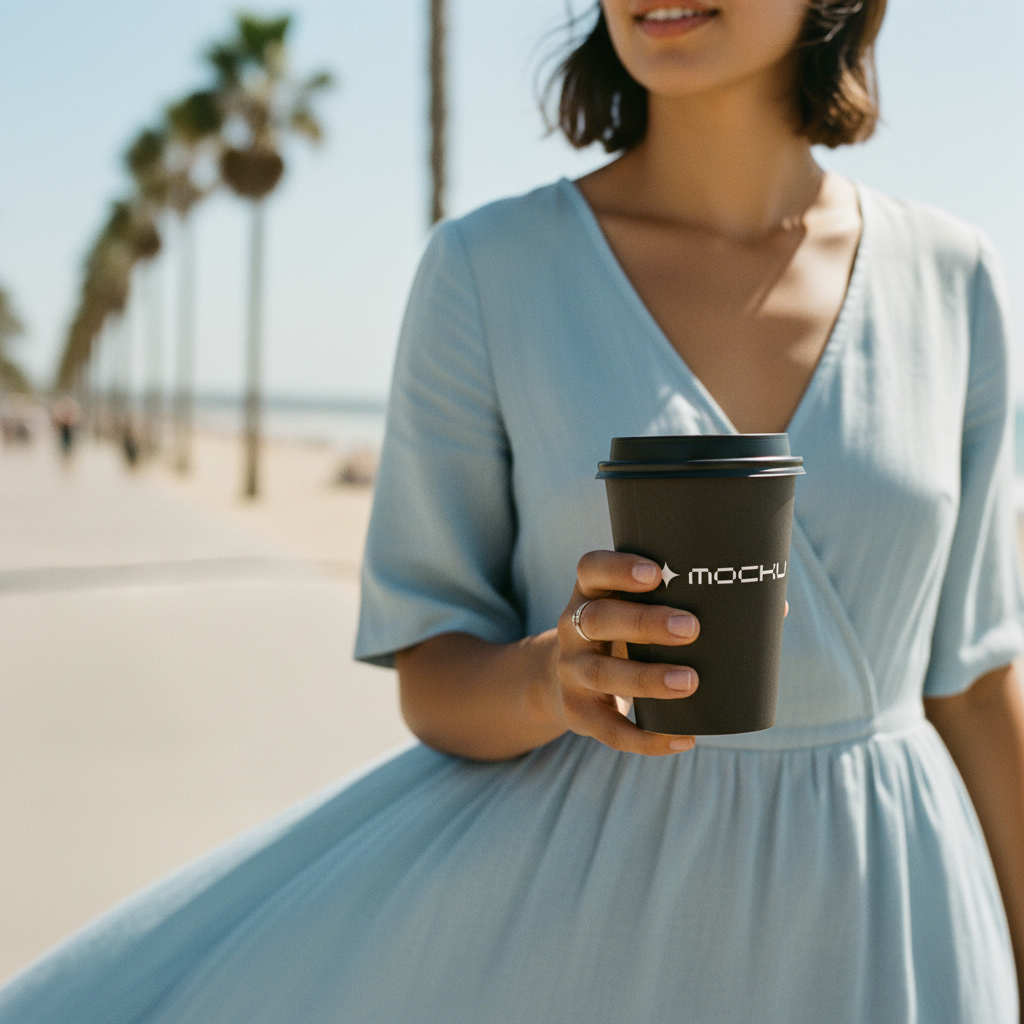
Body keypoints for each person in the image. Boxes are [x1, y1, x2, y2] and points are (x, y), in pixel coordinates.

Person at [3, 1, 1024, 1021]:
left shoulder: (952, 278)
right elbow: (432, 666)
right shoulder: (486, 271)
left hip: (897, 916)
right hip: (587, 935)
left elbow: (976, 686)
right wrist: (549, 675)